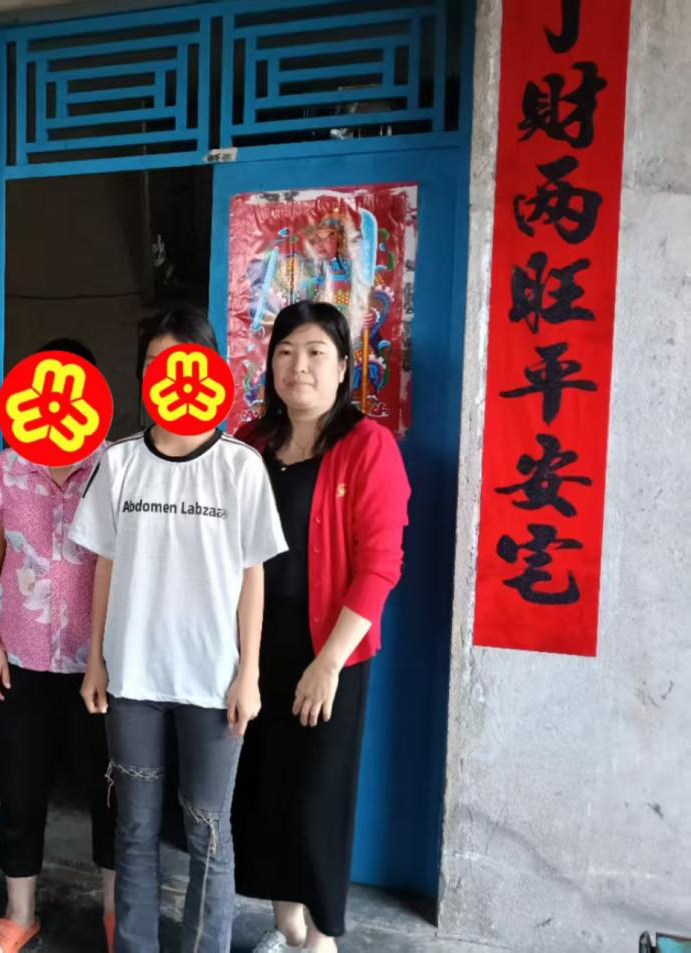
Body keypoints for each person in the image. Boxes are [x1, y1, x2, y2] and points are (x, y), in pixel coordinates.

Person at [70, 305, 286, 953]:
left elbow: (252, 575)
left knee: (208, 830)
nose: (170, 377)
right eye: (156, 365)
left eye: (183, 363)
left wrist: (248, 674)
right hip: (133, 676)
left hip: (212, 679)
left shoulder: (240, 466)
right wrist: (96, 659)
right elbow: (105, 564)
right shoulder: (120, 462)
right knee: (135, 831)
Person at [230, 301, 411, 953]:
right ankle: (287, 925)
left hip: (326, 653)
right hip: (252, 649)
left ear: (342, 368)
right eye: (284, 352)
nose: (298, 366)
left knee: (316, 800)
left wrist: (329, 662)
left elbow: (380, 564)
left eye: (314, 352)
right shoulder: (249, 444)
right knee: (264, 790)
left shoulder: (367, 446)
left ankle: (322, 939)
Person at [0, 339, 116, 953]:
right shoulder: (6, 470)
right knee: (21, 784)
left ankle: (116, 911)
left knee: (110, 790)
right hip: (21, 657)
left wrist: (105, 657)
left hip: (98, 664)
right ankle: (19, 912)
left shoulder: (115, 469)